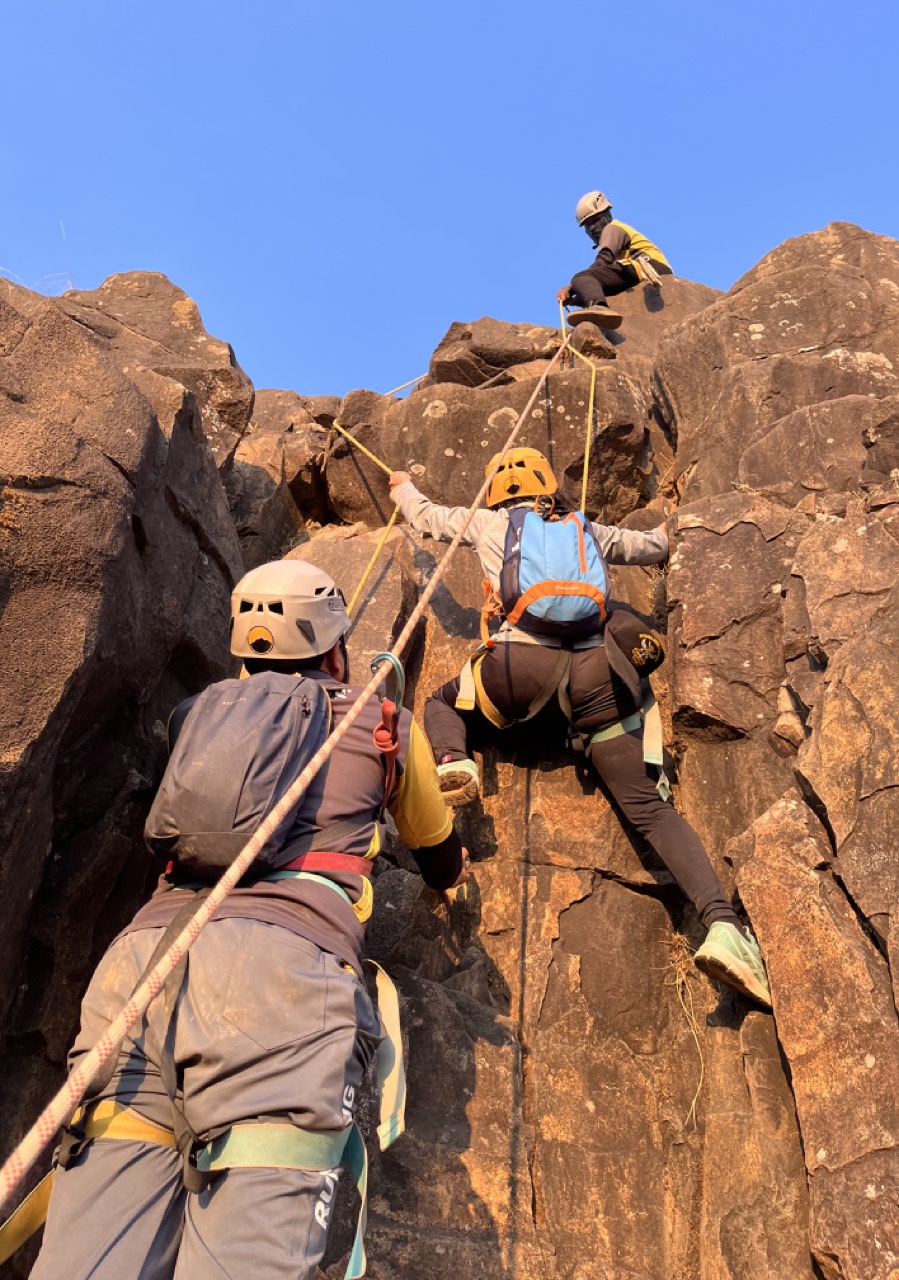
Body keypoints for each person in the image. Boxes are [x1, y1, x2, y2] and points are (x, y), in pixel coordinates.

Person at [30, 559, 468, 1280]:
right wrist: (450, 877)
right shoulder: (381, 721)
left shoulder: (193, 718)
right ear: (336, 649)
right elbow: (439, 853)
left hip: (143, 973)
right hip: (281, 992)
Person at [388, 452, 772, 1010]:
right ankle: (722, 926)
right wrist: (681, 522)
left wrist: (403, 487)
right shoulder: (583, 525)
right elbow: (655, 546)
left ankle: (455, 760)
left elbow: (428, 518)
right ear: (548, 486)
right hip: (597, 672)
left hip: (520, 667)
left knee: (444, 702)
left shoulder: (492, 523)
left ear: (497, 492)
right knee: (649, 809)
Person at [557, 191, 673, 330]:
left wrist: (572, 286)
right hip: (645, 269)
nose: (593, 228)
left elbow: (603, 260)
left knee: (581, 277)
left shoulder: (613, 229)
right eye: (588, 225)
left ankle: (600, 308)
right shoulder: (615, 230)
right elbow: (606, 279)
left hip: (649, 266)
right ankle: (597, 306)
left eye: (595, 220)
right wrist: (578, 298)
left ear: (607, 215)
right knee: (589, 282)